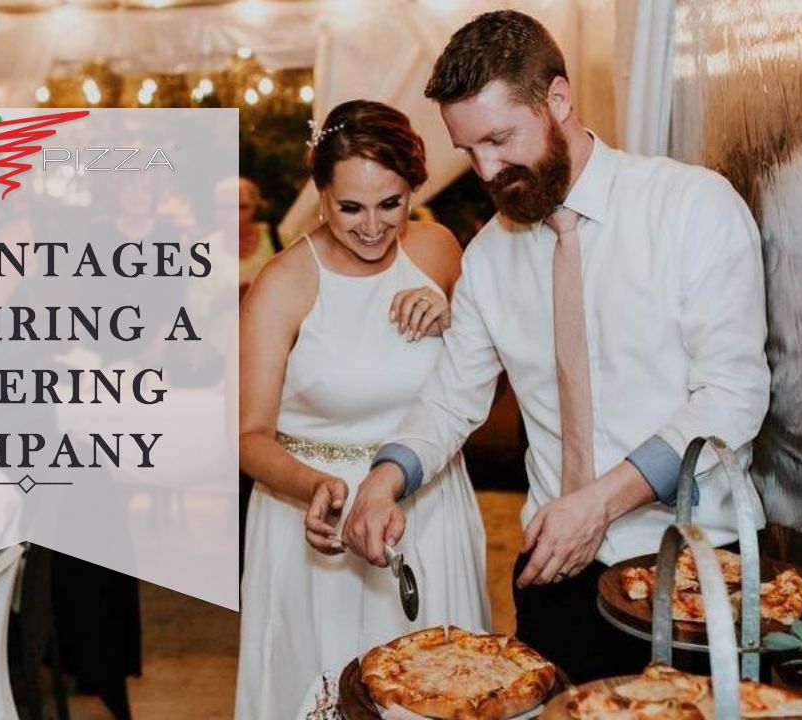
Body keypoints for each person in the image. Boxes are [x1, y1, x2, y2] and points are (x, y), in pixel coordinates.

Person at [312, 11, 771, 683]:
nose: (487, 170)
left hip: (694, 563)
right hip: (554, 571)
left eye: (499, 139)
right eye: (468, 150)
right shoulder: (489, 256)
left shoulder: (690, 207)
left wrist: (602, 502)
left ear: (557, 99)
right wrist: (382, 484)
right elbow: (448, 402)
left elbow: (732, 397)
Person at [236, 99, 490, 719]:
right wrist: (316, 487)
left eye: (390, 203)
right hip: (318, 516)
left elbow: (488, 380)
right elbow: (247, 435)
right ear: (321, 195)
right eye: (351, 207)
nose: (373, 226)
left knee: (446, 689)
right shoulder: (283, 282)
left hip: (428, 507)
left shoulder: (438, 252)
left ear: (413, 191)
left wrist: (456, 324)